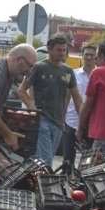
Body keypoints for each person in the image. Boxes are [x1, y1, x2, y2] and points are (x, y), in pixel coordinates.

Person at [21, 36, 82, 167]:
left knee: (43, 160)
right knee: (46, 160)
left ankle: (34, 183)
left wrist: (82, 122)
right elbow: (21, 91)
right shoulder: (38, 67)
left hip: (59, 122)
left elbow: (76, 97)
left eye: (64, 50)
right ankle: (42, 185)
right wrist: (32, 107)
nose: (62, 53)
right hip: (41, 120)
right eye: (58, 50)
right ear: (49, 49)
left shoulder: (68, 71)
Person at [62, 44, 96, 166]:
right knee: (67, 159)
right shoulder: (71, 74)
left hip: (91, 123)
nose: (89, 57)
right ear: (82, 56)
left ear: (96, 57)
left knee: (88, 161)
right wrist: (63, 115)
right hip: (71, 121)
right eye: (86, 54)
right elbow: (65, 95)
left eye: (92, 55)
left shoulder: (99, 76)